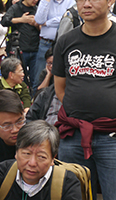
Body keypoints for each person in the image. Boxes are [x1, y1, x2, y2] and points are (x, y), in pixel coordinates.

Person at [52, 0, 116, 198]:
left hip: (112, 137)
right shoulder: (66, 41)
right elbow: (60, 88)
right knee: (74, 194)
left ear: (110, 2)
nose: (86, 4)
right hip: (73, 136)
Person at [0, 120, 82, 200]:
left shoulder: (67, 183)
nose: (32, 163)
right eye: (26, 154)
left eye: (41, 157)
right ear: (16, 153)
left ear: (52, 159)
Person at [33, 0, 75, 92]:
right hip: (45, 43)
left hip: (63, 45)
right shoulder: (45, 1)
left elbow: (66, 19)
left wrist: (47, 23)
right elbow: (39, 20)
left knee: (60, 76)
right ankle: (36, 102)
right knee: (39, 77)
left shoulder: (70, 1)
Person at [1, 0, 40, 89]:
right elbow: (4, 21)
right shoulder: (16, 7)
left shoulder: (37, 9)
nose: (35, 1)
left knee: (35, 79)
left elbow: (42, 28)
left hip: (35, 49)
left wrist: (36, 24)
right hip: (19, 49)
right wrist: (21, 20)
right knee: (18, 78)